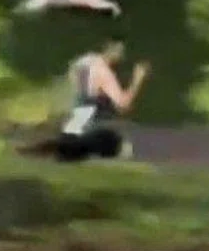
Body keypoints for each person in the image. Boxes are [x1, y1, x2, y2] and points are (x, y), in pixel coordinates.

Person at [20, 35, 150, 162]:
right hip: (85, 130)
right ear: (111, 50)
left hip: (71, 119)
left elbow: (72, 75)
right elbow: (123, 104)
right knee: (120, 144)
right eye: (120, 52)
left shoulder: (85, 60)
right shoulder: (104, 73)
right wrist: (137, 79)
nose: (122, 56)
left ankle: (48, 146)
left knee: (71, 132)